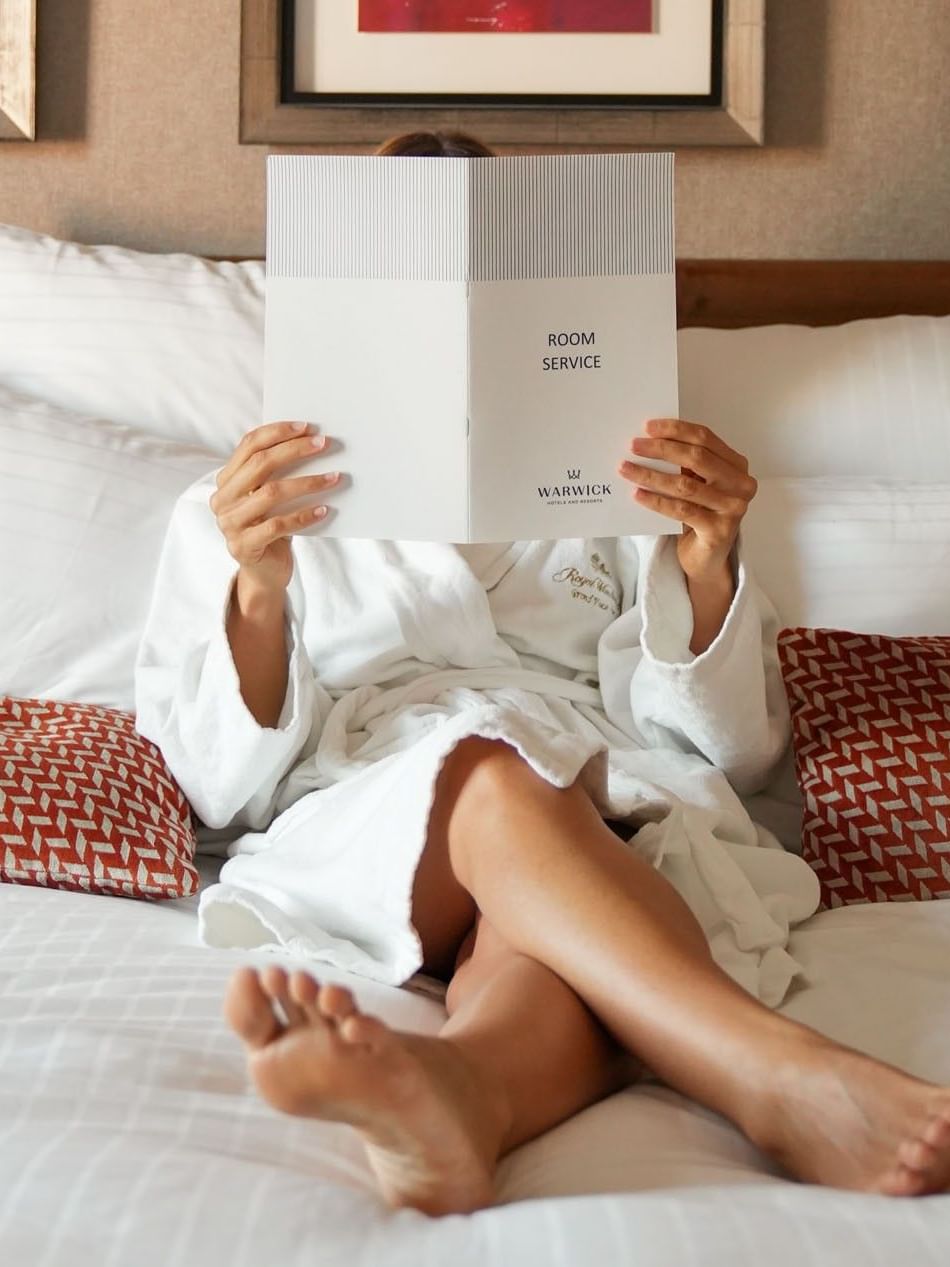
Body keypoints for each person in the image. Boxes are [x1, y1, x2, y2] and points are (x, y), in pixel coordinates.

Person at [134, 130, 950, 1217]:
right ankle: (773, 1070)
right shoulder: (242, 503)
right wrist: (260, 588)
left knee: (541, 916)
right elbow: (218, 786)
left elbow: (730, 750)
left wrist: (703, 567)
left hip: (611, 804)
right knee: (495, 771)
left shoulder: (620, 480)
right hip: (378, 814)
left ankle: (462, 1092)